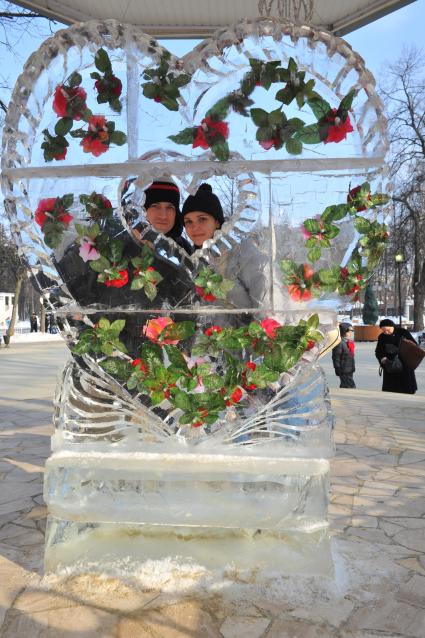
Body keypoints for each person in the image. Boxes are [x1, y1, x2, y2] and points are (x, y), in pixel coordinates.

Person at [182, 183, 268, 309]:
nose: (195, 227)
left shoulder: (242, 252)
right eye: (188, 221)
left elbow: (266, 302)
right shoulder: (194, 261)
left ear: (217, 222)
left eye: (202, 219)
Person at [133, 178, 191, 252]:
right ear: (143, 210)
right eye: (155, 206)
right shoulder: (122, 244)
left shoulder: (187, 251)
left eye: (170, 207)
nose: (163, 215)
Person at [375, 318, 417, 394]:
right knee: (391, 389)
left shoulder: (403, 332)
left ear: (393, 326)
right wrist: (382, 358)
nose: (386, 332)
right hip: (390, 365)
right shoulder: (381, 336)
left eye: (388, 330)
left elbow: (414, 345)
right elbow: (378, 351)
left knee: (406, 388)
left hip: (405, 364)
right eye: (384, 331)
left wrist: (403, 347)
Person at [332, 323, 356, 388]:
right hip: (343, 370)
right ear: (343, 332)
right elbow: (336, 357)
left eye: (352, 331)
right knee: (350, 387)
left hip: (349, 369)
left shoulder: (349, 342)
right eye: (349, 331)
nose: (351, 333)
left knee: (345, 386)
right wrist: (337, 368)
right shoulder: (339, 343)